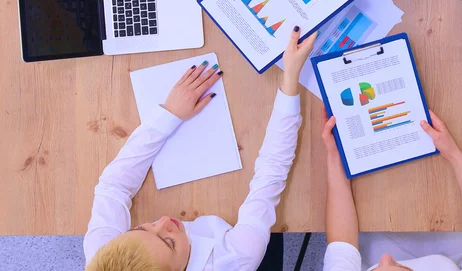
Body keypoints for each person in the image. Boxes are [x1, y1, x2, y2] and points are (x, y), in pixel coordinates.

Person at [84, 26, 316, 271]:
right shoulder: (238, 257)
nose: (163, 221)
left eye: (141, 227)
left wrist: (170, 114)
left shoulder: (105, 259)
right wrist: (291, 76)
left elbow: (112, 186)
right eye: (168, 241)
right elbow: (272, 170)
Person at [320, 108, 462, 271]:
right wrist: (454, 155)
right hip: (454, 258)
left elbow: (342, 244)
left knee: (367, 241)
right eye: (397, 266)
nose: (384, 259)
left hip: (393, 239)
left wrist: (335, 158)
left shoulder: (384, 258)